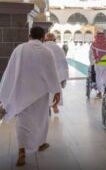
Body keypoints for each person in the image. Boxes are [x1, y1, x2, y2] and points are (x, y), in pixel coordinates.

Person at [0, 26, 61, 166]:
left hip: (21, 92)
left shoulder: (19, 49)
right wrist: (57, 92)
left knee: (22, 122)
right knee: (40, 120)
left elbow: (10, 71)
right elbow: (52, 73)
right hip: (40, 94)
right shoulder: (47, 51)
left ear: (29, 36)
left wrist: (5, 92)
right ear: (43, 37)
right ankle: (40, 144)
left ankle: (22, 150)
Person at [45, 33, 69, 113]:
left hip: (45, 73)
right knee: (56, 90)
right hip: (57, 73)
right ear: (54, 40)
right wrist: (64, 75)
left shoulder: (42, 47)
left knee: (46, 91)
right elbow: (63, 62)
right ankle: (55, 105)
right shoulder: (59, 49)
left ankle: (47, 106)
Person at [89, 32, 106, 97]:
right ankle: (105, 91)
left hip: (98, 64)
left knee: (98, 78)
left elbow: (90, 55)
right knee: (105, 78)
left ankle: (100, 92)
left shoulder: (93, 45)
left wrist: (92, 62)